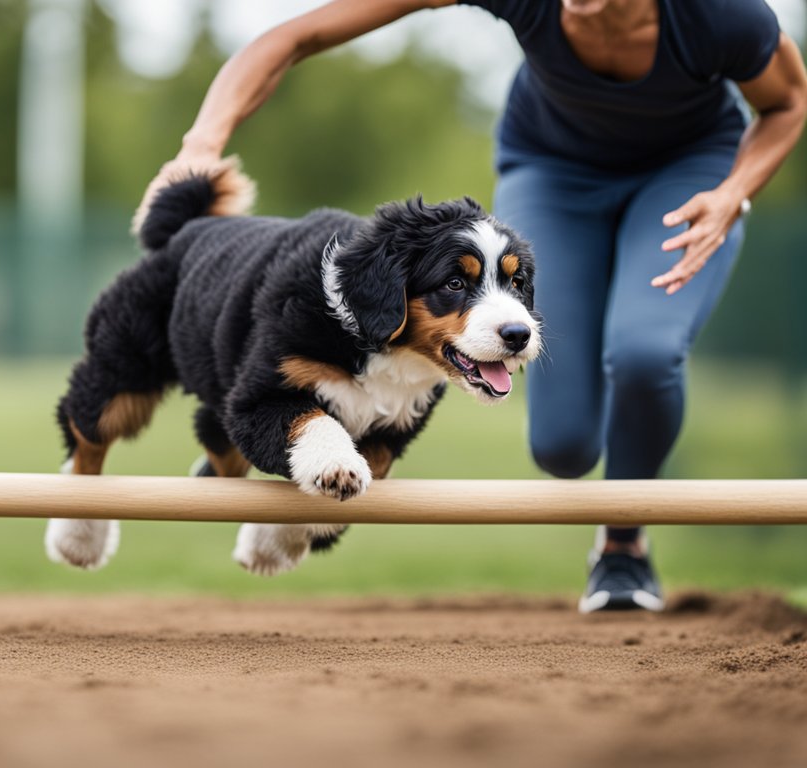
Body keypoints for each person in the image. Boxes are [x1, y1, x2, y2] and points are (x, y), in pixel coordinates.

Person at [160, 0, 807, 611]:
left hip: (687, 172)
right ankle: (260, 433)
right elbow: (298, 35)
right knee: (564, 448)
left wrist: (733, 193)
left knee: (643, 352)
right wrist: (200, 143)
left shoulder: (723, 16)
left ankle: (622, 546)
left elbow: (788, 102)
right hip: (552, 170)